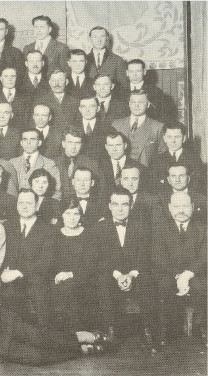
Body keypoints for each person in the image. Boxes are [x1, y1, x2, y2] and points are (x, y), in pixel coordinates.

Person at [94, 188, 156, 351]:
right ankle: (110, 331)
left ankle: (147, 330)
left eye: (124, 204)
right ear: (109, 206)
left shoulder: (142, 227)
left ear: (131, 205)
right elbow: (99, 259)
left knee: (148, 281)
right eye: (115, 204)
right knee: (102, 282)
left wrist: (131, 274)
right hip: (111, 275)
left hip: (135, 273)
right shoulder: (100, 228)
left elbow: (145, 256)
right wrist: (118, 275)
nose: (120, 209)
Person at [152, 191, 206, 344]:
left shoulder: (203, 229)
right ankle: (164, 330)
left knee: (201, 286)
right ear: (169, 207)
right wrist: (177, 276)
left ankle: (203, 328)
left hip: (196, 274)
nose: (181, 210)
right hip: (168, 274)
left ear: (193, 207)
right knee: (161, 285)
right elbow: (158, 257)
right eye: (176, 206)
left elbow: (204, 257)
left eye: (185, 206)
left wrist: (187, 275)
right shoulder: (160, 229)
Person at [1, 189, 56, 328]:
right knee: (8, 298)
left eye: (29, 203)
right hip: (8, 281)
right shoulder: (6, 227)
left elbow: (46, 262)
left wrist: (18, 272)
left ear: (37, 206)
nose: (24, 207)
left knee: (40, 303)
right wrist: (3, 272)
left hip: (36, 280)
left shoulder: (48, 230)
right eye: (21, 203)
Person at [51, 199, 98, 332]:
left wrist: (70, 274)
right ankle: (70, 338)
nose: (72, 218)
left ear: (80, 216)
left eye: (76, 214)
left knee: (70, 289)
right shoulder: (54, 234)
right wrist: (58, 276)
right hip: (58, 279)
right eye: (68, 213)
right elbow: (50, 261)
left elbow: (90, 264)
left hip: (84, 279)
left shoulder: (89, 234)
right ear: (61, 215)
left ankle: (78, 334)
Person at [111, 90, 165, 167]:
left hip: (147, 174)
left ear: (148, 104)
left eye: (141, 102)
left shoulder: (157, 127)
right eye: (133, 102)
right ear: (129, 104)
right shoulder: (116, 124)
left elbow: (162, 156)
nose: (136, 106)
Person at [10, 128, 62, 200]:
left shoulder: (49, 164)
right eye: (25, 139)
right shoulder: (12, 163)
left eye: (32, 139)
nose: (28, 142)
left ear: (39, 142)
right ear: (21, 143)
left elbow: (56, 192)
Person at [151, 124, 204, 193]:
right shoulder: (157, 160)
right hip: (164, 200)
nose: (173, 141)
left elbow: (198, 185)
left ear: (184, 138)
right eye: (169, 137)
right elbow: (154, 186)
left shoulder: (194, 159)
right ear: (164, 138)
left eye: (177, 137)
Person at [55, 129, 101, 200]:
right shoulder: (53, 163)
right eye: (70, 142)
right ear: (63, 144)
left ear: (81, 145)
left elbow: (98, 191)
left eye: (77, 143)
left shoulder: (92, 164)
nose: (74, 147)